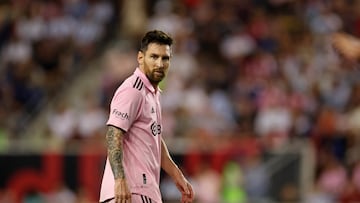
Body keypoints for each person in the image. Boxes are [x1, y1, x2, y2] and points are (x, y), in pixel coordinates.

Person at [99, 30, 195, 203]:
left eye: (165, 58)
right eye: (154, 56)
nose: (160, 63)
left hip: (140, 191)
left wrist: (176, 174)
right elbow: (114, 133)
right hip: (133, 191)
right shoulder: (133, 90)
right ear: (140, 58)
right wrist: (120, 179)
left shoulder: (152, 94)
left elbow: (154, 138)